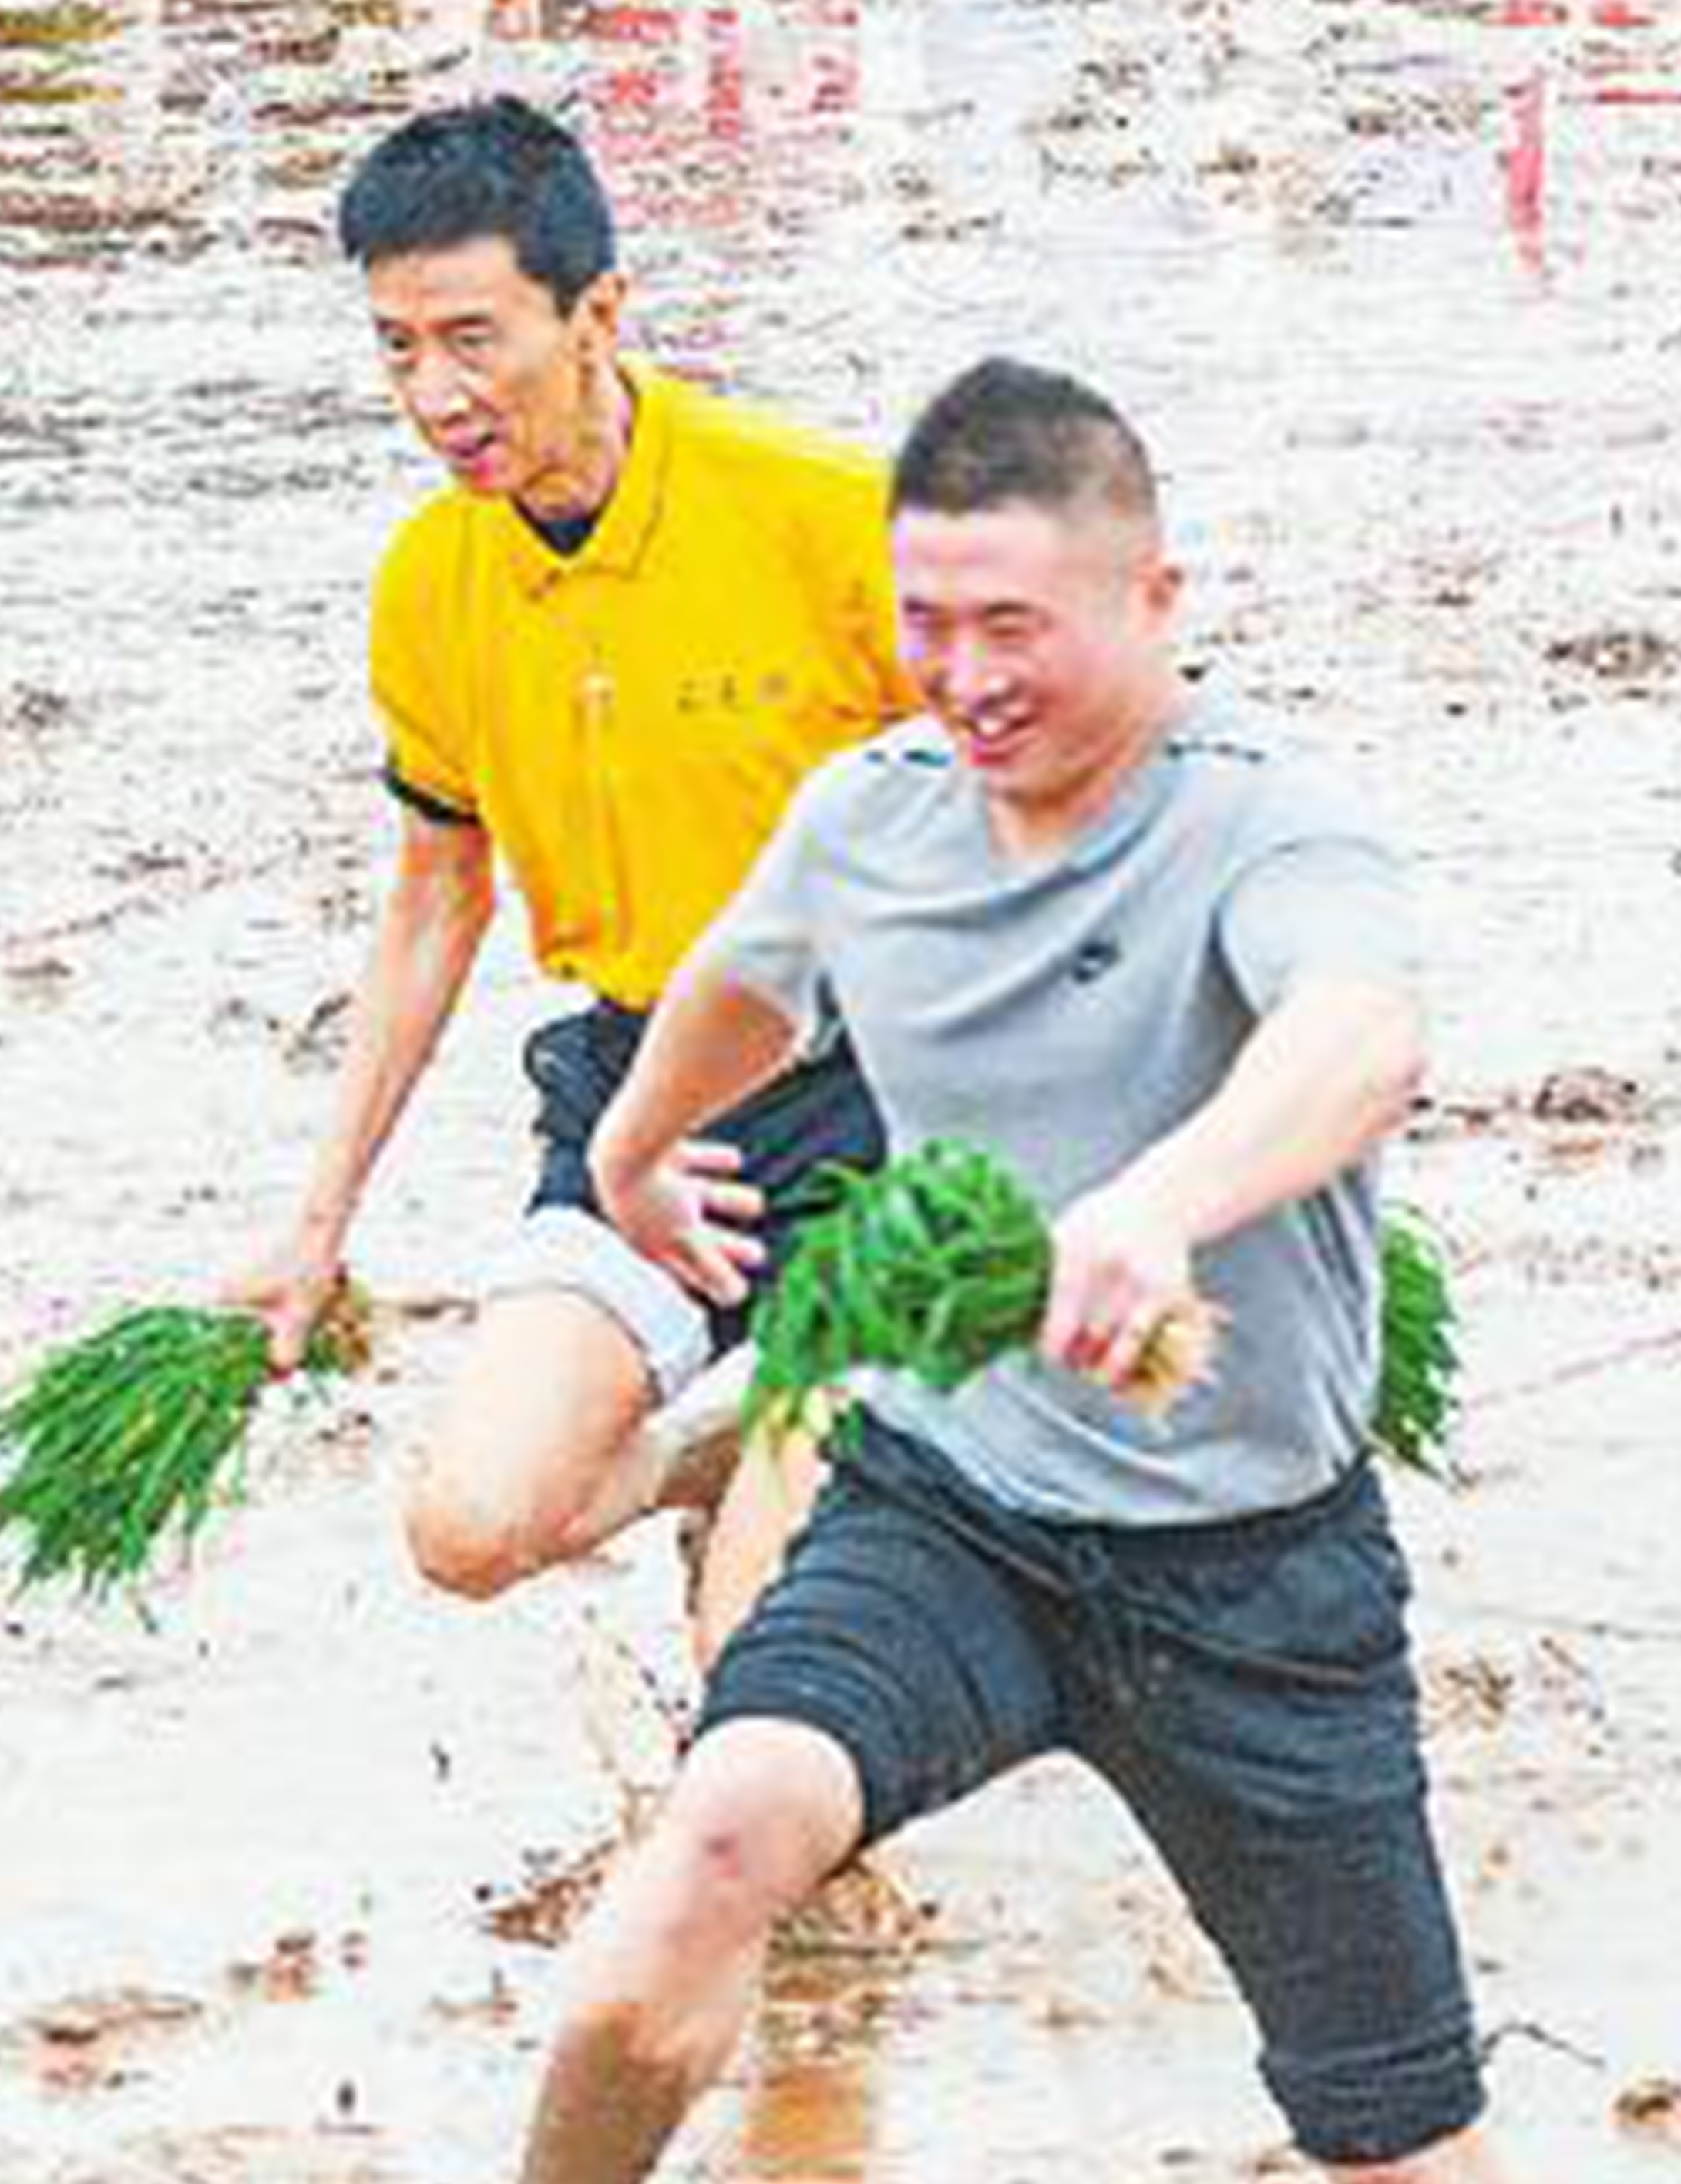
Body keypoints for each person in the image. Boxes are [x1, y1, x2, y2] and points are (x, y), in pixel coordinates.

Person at [534, 363, 1495, 2184]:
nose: (962, 672)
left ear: (1151, 599)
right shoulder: (870, 815)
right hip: (952, 1510)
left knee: (1401, 2142)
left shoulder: (1267, 824)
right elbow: (743, 980)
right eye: (923, 620)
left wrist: (1151, 1205)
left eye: (1010, 624)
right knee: (715, 1838)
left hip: (1253, 1582)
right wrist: (629, 1147)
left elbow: (1359, 1032)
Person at [235, 102, 911, 1659]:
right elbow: (430, 903)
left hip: (885, 1098)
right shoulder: (429, 585)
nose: (432, 395)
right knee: (466, 1529)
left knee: (756, 1655)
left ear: (596, 311)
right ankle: (713, 1450)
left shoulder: (823, 518)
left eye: (470, 339)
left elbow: (1070, 809)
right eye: (394, 348)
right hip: (632, 1108)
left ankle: (821, 1515)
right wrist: (314, 1221)